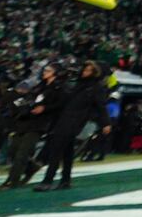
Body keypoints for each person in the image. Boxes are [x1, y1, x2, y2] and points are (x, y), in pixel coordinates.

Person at [36, 61, 110, 192]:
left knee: (57, 149)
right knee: (67, 151)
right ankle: (65, 180)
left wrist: (106, 123)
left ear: (94, 73)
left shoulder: (95, 88)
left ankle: (48, 180)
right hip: (64, 119)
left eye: (88, 70)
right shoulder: (76, 84)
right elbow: (62, 102)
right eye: (85, 69)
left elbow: (101, 107)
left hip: (75, 120)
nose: (84, 72)